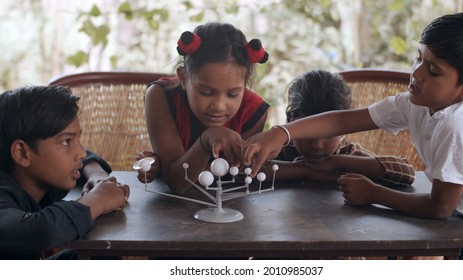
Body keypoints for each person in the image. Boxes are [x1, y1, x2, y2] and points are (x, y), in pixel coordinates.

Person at [242, 13, 463, 259]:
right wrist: (281, 133)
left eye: (433, 70)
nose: (416, 73)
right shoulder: (415, 103)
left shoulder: (458, 126)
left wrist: (374, 194)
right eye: (418, 58)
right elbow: (340, 121)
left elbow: (440, 208)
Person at [136, 22, 270, 194]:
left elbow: (240, 174)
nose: (219, 106)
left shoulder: (253, 112)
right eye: (206, 92)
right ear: (183, 78)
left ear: (245, 83)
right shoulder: (161, 97)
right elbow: (178, 181)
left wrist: (303, 169)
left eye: (233, 94)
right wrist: (207, 139)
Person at [0, 85, 130, 260]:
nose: (81, 153)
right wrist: (98, 199)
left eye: (77, 139)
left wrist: (96, 174)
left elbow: (86, 154)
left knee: (103, 257)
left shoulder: (38, 178)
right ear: (22, 153)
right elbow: (40, 229)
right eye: (66, 141)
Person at [270, 69, 415, 187]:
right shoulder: (282, 151)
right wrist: (304, 171)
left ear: (343, 129)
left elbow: (407, 172)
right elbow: (249, 169)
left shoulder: (348, 154)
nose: (317, 146)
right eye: (308, 134)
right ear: (290, 121)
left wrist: (337, 162)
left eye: (328, 134)